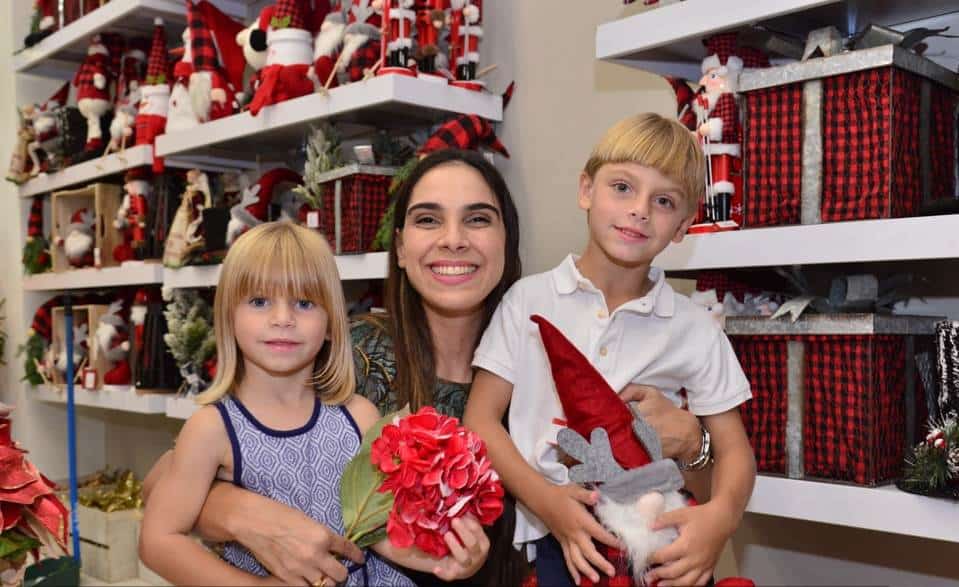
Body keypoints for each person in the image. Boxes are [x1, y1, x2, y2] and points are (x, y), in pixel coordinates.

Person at [142, 149, 707, 585]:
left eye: (478, 220)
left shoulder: (553, 361)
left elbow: (668, 496)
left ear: (508, 243)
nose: (454, 240)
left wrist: (695, 445)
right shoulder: (343, 355)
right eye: (429, 220)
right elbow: (167, 479)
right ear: (402, 249)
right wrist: (249, 516)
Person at [464, 113, 757, 587]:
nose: (640, 209)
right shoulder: (528, 300)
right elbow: (480, 420)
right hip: (554, 539)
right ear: (586, 190)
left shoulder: (696, 328)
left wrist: (719, 520)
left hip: (656, 541)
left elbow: (735, 453)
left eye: (663, 201)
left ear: (683, 226)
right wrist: (549, 503)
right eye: (622, 187)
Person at [138, 222, 490, 586]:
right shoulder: (212, 429)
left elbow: (377, 531)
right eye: (259, 301)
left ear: (330, 324)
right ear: (228, 317)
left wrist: (446, 560)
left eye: (304, 303)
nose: (282, 319)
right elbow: (159, 540)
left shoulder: (359, 415)